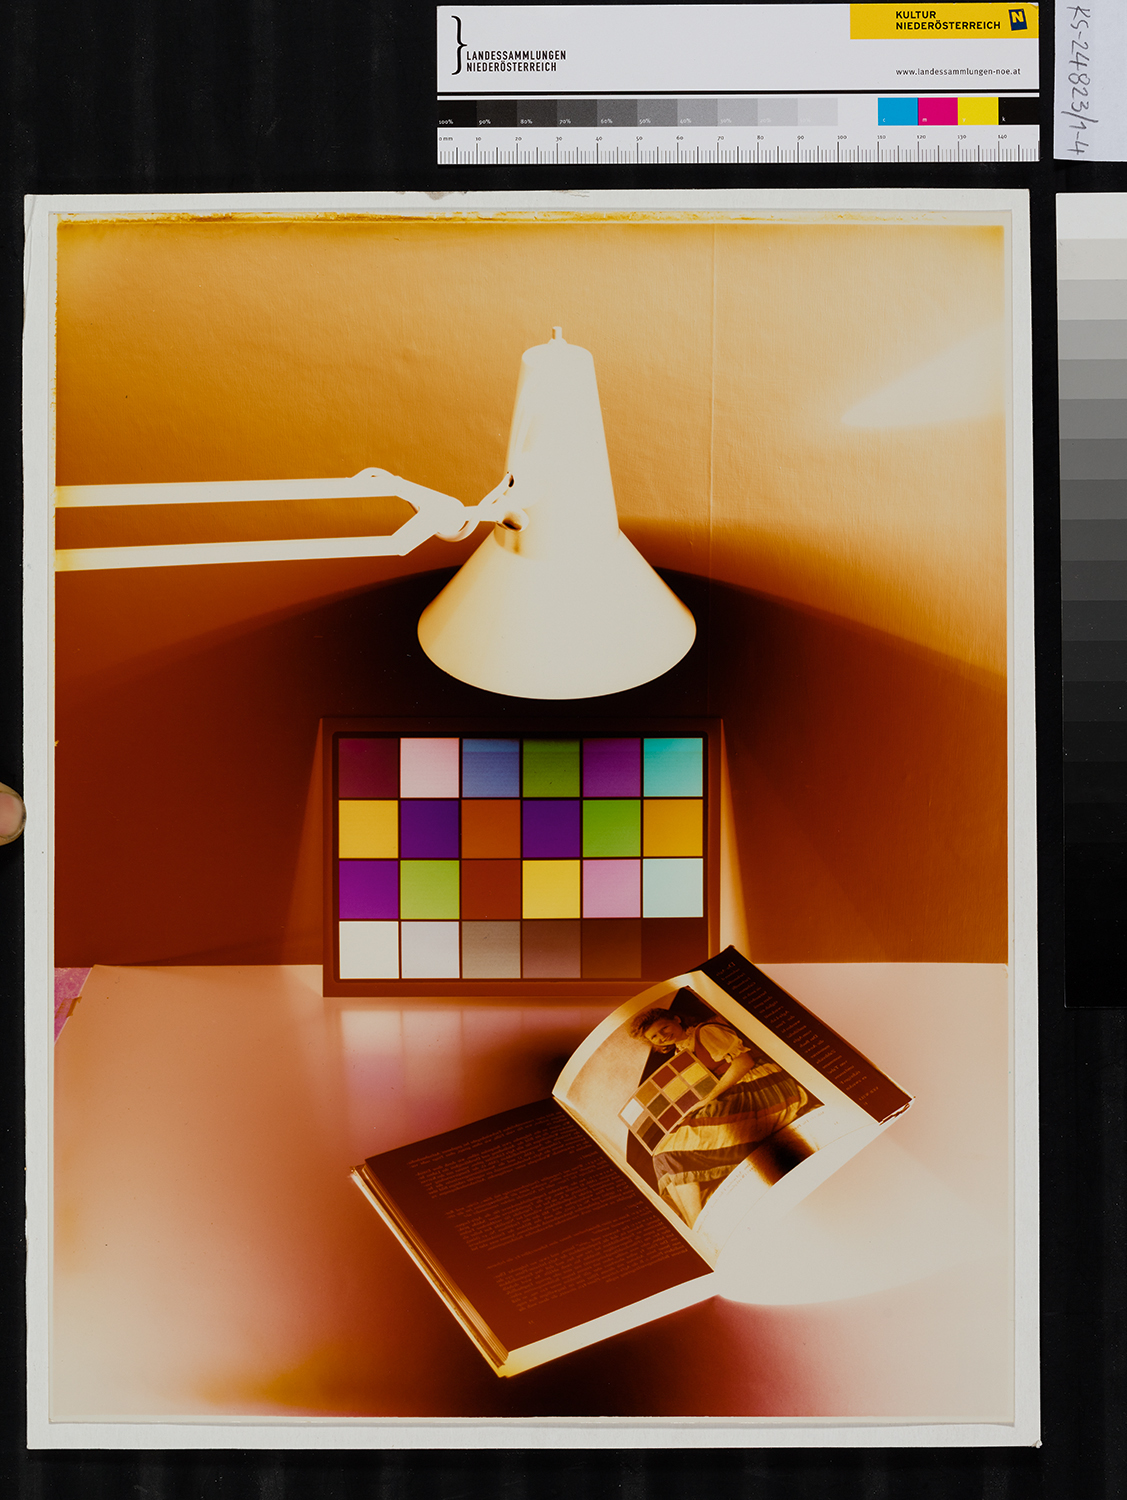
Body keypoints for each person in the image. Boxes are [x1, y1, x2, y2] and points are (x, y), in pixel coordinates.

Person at [629, 1006, 808, 1227]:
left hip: (758, 1084)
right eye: (655, 1037)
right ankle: (694, 1225)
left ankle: (697, 1223)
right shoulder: (679, 1053)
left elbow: (744, 1062)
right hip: (729, 1090)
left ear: (676, 1019)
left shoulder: (705, 1032)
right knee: (660, 1155)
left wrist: (708, 1099)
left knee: (674, 1150)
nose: (662, 1037)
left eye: (663, 1028)